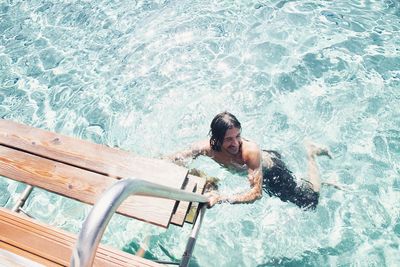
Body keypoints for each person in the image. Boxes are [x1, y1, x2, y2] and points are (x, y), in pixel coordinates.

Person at [168, 111, 332, 209]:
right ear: (216, 140)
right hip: (261, 162)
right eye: (228, 139)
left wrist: (222, 198)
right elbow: (177, 157)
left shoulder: (249, 151)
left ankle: (311, 154)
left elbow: (256, 193)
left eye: (237, 136)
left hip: (273, 172)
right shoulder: (206, 148)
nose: (235, 143)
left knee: (309, 202)